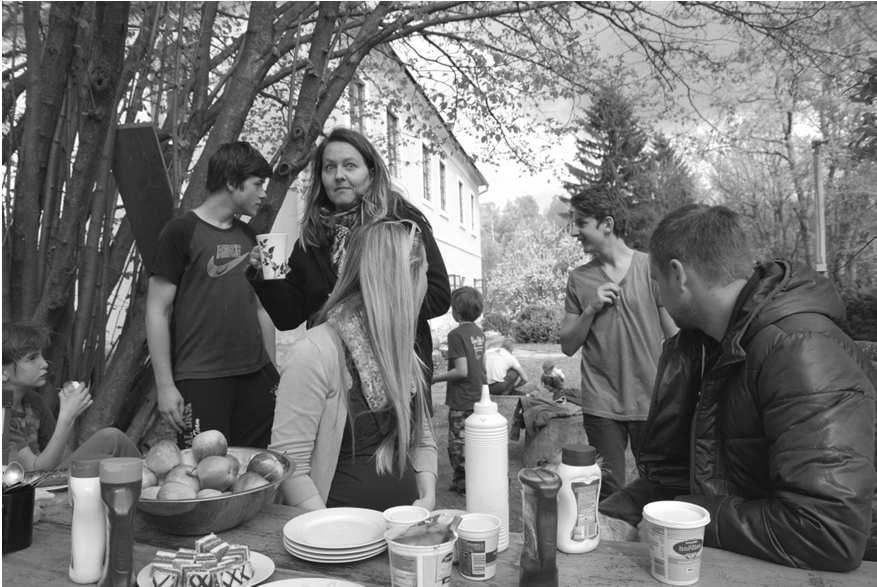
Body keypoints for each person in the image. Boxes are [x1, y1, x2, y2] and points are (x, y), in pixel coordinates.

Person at [599, 204, 877, 571]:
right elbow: (684, 476)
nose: (658, 300)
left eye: (655, 283)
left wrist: (686, 521)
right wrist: (611, 514)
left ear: (678, 275)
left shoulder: (799, 350)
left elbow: (826, 531)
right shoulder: (708, 346)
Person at [248, 127, 450, 413]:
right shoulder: (313, 238)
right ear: (321, 178)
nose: (339, 175)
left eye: (350, 166)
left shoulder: (401, 224)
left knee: (403, 456)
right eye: (329, 168)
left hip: (398, 374)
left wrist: (362, 306)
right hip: (334, 380)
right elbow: (287, 316)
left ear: (371, 172)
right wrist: (265, 275)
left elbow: (439, 296)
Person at [270, 221, 437, 512]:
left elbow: (422, 438)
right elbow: (289, 464)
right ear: (404, 279)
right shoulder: (314, 354)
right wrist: (334, 531)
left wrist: (428, 493)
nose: (427, 284)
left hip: (403, 534)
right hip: (339, 543)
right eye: (425, 273)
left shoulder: (400, 349)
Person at [146, 141, 278, 449]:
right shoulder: (180, 231)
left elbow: (262, 308)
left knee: (255, 472)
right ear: (232, 183)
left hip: (255, 377)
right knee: (204, 480)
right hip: (200, 379)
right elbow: (156, 311)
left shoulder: (251, 237)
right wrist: (165, 386)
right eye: (257, 184)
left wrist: (273, 373)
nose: (264, 193)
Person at [559, 193, 677, 499]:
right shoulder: (579, 279)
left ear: (607, 224)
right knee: (608, 490)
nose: (574, 232)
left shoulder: (652, 268)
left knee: (658, 486)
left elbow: (675, 336)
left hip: (650, 399)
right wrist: (590, 309)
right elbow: (568, 345)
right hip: (602, 404)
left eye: (581, 223)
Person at [2, 322, 140, 470]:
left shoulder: (33, 402)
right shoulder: (3, 413)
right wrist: (66, 417)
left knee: (112, 441)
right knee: (111, 440)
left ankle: (146, 480)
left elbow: (63, 458)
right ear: (4, 372)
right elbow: (34, 470)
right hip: (23, 487)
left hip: (46, 477)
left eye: (41, 355)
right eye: (32, 358)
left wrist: (70, 413)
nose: (44, 364)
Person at [432, 286, 486, 495]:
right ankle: (464, 481)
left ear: (455, 311)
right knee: (475, 441)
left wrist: (435, 378)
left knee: (458, 444)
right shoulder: (478, 333)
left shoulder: (456, 335)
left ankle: (466, 484)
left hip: (461, 399)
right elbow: (481, 365)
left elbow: (461, 371)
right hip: (478, 396)